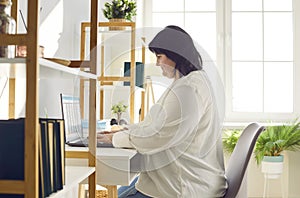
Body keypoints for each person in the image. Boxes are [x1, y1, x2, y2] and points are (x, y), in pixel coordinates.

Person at [98, 25, 228, 197]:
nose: (158, 63)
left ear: (176, 55)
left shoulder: (189, 89)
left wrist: (115, 138)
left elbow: (159, 135)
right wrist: (124, 130)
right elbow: (155, 125)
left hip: (183, 187)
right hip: (178, 180)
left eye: (160, 57)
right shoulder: (187, 83)